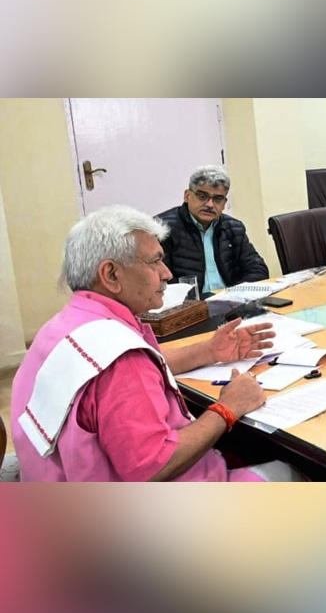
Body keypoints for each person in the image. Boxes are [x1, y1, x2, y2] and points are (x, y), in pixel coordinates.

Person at [10, 206, 303, 481]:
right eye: (154, 261)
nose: (167, 273)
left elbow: (135, 372)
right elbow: (150, 466)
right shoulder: (122, 362)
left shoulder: (65, 326)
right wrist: (229, 408)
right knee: (293, 470)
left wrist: (208, 351)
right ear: (111, 274)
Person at [157, 166, 268, 293]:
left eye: (217, 199)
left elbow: (258, 269)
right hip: (190, 303)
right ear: (187, 196)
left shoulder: (234, 228)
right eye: (202, 196)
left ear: (224, 203)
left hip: (232, 299)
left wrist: (233, 295)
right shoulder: (163, 229)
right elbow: (160, 280)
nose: (210, 204)